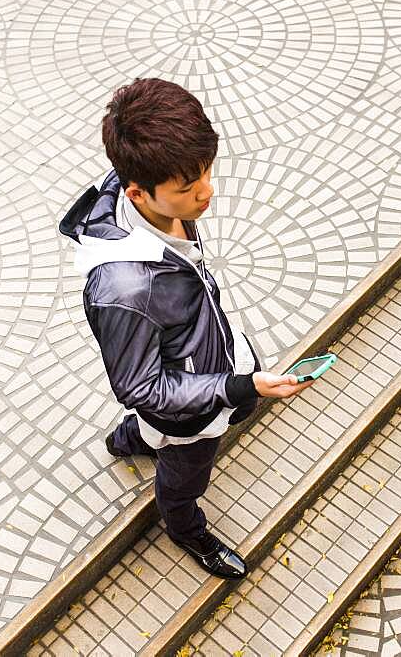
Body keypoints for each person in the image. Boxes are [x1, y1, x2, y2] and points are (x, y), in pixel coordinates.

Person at [59, 78, 310, 579]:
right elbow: (141, 386)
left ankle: (128, 439)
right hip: (185, 412)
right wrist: (238, 386)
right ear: (138, 192)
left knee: (168, 426)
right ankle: (185, 528)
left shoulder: (147, 187)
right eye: (188, 188)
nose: (207, 193)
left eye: (206, 174)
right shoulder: (122, 288)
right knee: (183, 479)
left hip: (208, 357)